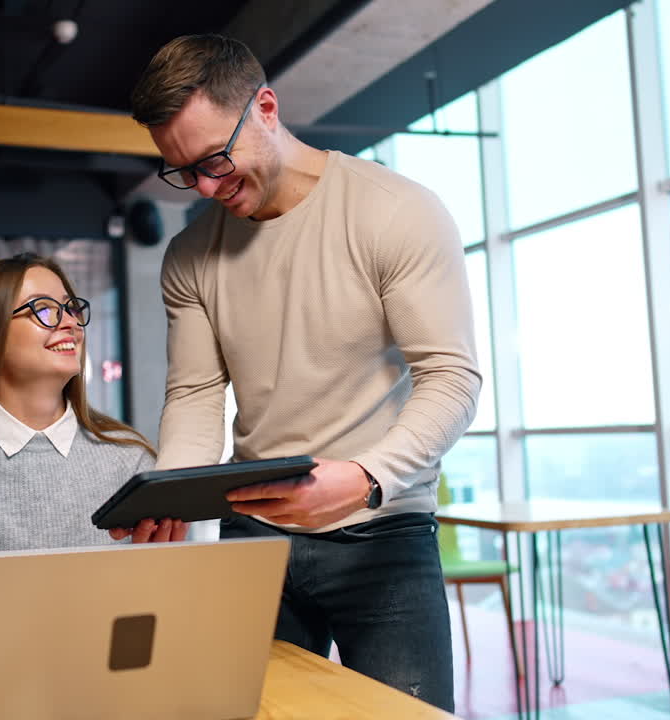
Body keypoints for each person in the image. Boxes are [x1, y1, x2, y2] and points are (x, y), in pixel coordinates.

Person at [130, 35, 481, 711]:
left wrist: (365, 477)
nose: (204, 186)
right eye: (181, 171)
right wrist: (171, 491)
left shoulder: (395, 211)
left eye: (213, 159)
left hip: (385, 532)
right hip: (255, 535)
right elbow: (198, 393)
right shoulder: (190, 256)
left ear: (265, 107)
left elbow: (451, 378)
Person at [0, 252, 186, 674]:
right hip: (12, 688)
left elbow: (167, 606)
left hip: (122, 683)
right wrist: (54, 630)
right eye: (43, 309)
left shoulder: (131, 457)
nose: (70, 322)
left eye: (70, 307)